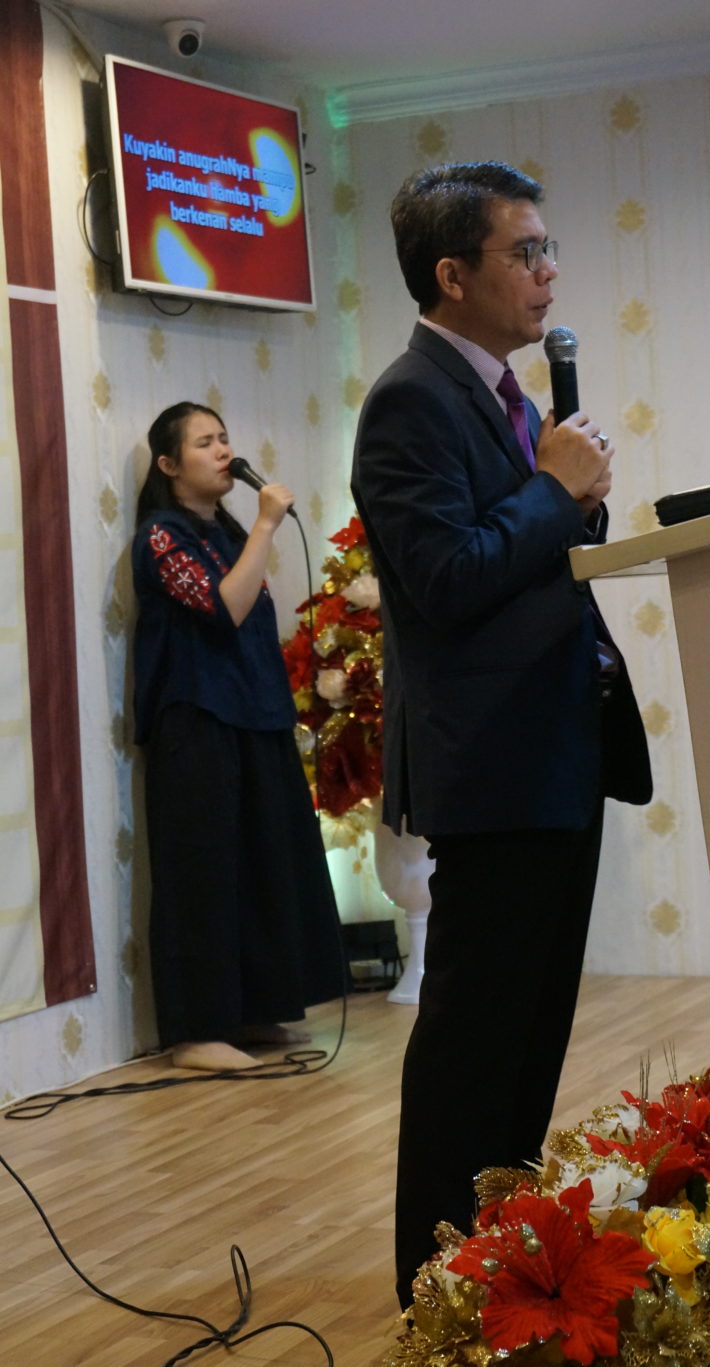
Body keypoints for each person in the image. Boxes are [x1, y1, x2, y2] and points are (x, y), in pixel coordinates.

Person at [351, 162, 652, 1307]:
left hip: (558, 749)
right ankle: (435, 1291)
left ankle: (501, 1274)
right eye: (525, 251)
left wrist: (573, 493)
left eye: (547, 248)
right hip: (493, 766)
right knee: (473, 1052)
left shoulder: (510, 395)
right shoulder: (409, 400)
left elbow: (527, 549)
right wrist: (552, 491)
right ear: (452, 273)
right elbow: (444, 575)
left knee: (530, 1043)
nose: (548, 272)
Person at [132, 401, 343, 1071]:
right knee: (204, 875)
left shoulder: (224, 532)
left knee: (262, 864)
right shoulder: (161, 536)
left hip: (256, 716)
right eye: (205, 443)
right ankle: (197, 1033)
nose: (224, 451)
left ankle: (252, 1012)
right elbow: (222, 608)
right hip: (197, 722)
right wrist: (267, 523)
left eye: (225, 438)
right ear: (169, 465)